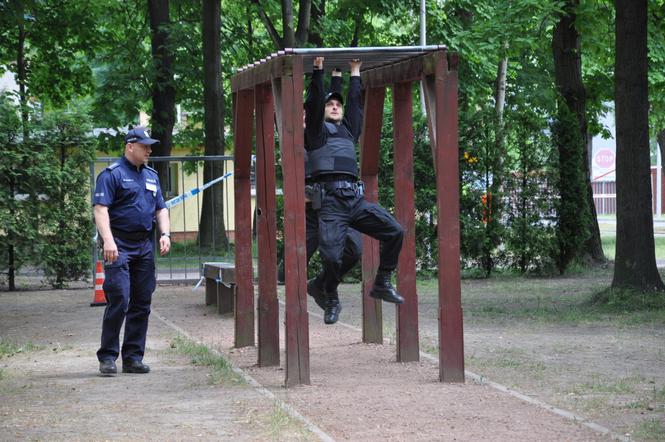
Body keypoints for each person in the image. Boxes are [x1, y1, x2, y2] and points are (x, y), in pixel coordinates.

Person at [305, 57, 405, 325]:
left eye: (338, 104)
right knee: (331, 256)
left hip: (354, 199)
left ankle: (382, 281)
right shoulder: (316, 133)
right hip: (330, 203)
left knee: (395, 231)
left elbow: (356, 107)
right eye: (331, 104)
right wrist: (318, 72)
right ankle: (330, 295)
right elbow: (313, 103)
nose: (335, 107)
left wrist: (355, 72)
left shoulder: (348, 131)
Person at [93, 127, 171, 376]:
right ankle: (107, 357)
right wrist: (108, 241)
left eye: (150, 146)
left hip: (144, 246)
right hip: (118, 245)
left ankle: (133, 358)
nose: (149, 150)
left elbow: (161, 209)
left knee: (142, 301)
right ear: (130, 146)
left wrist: (165, 234)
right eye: (145, 146)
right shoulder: (111, 175)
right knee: (120, 298)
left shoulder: (151, 175)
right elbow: (100, 210)